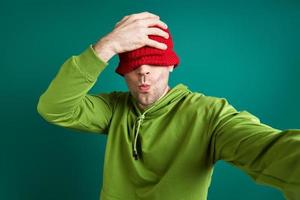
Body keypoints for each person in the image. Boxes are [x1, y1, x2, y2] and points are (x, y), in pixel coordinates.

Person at [37, 11, 300, 200]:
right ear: (122, 72)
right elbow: (54, 107)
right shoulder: (114, 107)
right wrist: (107, 46)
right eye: (133, 65)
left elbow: (266, 148)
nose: (143, 73)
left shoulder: (208, 115)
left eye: (153, 62)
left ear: (172, 65)